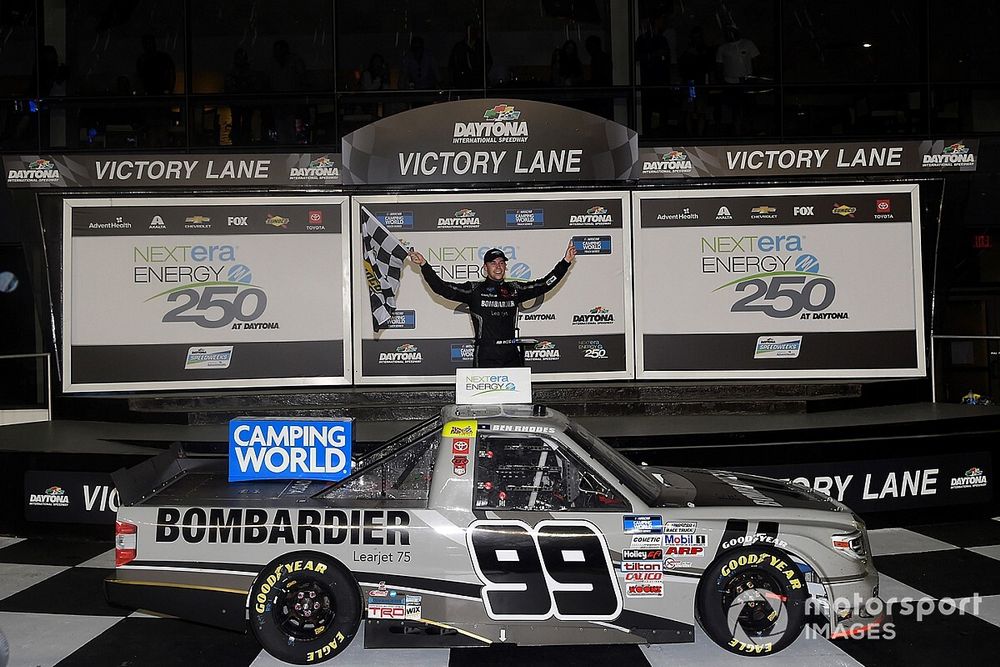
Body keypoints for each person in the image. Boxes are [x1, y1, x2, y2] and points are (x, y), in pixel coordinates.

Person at [409, 242, 577, 367]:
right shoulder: (474, 290)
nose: (498, 267)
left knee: (516, 402)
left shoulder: (514, 289)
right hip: (486, 356)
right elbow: (441, 288)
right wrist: (424, 265)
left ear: (505, 267)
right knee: (484, 402)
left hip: (511, 355)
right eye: (493, 263)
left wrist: (565, 262)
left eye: (501, 263)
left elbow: (545, 284)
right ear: (485, 267)